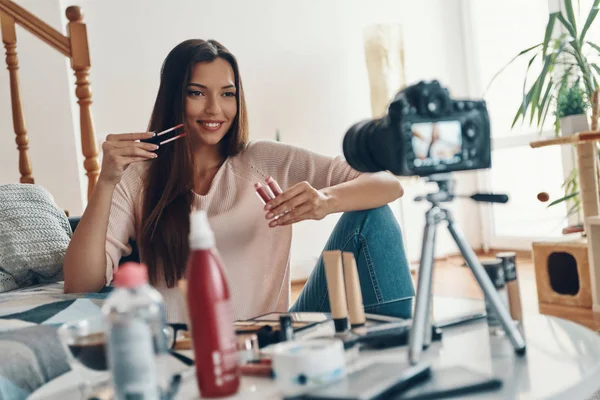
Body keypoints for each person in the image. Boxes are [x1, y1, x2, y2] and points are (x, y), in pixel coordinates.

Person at [63, 39, 415, 323]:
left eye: (227, 94)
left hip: (272, 336)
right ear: (174, 98)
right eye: (197, 93)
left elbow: (388, 183)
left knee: (373, 216)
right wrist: (106, 182)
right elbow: (81, 284)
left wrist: (325, 202)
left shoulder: (263, 158)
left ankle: (401, 352)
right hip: (190, 348)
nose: (215, 109)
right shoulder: (139, 178)